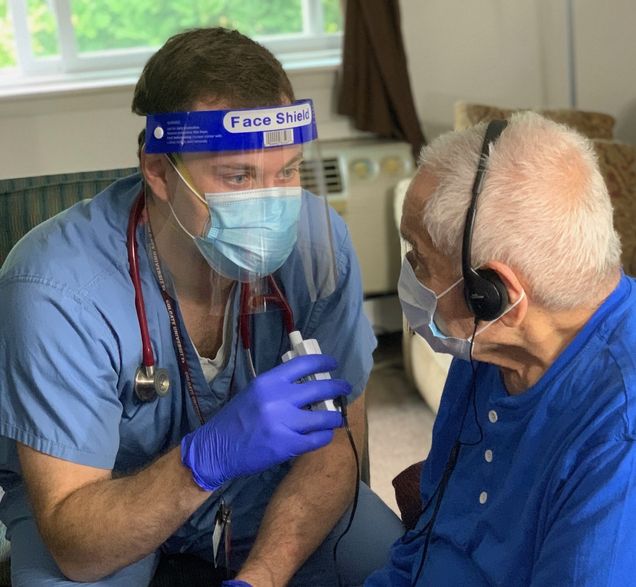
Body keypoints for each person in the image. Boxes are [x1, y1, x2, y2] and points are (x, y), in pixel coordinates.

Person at [0, 27, 403, 587]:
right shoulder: (54, 286)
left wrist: (260, 577)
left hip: (266, 484)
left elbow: (338, 447)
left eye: (286, 172)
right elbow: (75, 546)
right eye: (238, 176)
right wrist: (203, 461)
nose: (271, 204)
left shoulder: (319, 246)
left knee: (409, 570)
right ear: (159, 171)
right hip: (102, 497)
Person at [366, 112, 636, 585]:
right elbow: (426, 538)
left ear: (496, 295)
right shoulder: (491, 347)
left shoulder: (617, 435)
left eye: (418, 257)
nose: (408, 273)